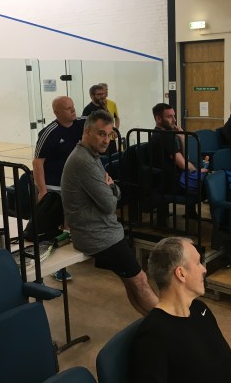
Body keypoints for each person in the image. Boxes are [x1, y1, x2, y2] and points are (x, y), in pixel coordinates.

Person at [60, 110, 159, 315]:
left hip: (104, 231)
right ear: (87, 132)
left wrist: (112, 188)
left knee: (132, 282)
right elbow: (109, 204)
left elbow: (115, 192)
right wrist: (112, 189)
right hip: (98, 236)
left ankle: (153, 322)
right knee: (140, 280)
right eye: (101, 134)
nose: (106, 140)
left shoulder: (91, 155)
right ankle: (169, 326)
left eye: (109, 134)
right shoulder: (84, 161)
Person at [130, 237, 231, 383]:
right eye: (198, 263)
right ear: (181, 274)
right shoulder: (153, 336)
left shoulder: (200, 309)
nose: (204, 269)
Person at [33, 96, 84, 201]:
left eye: (73, 106)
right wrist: (42, 191)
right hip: (54, 187)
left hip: (75, 183)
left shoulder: (81, 123)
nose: (73, 110)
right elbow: (37, 163)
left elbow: (101, 121)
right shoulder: (49, 133)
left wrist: (112, 130)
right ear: (57, 112)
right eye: (68, 108)